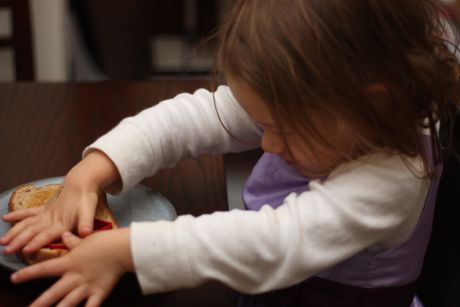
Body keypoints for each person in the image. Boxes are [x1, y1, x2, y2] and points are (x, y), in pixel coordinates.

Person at [2, 0, 460, 306]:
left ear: (374, 101)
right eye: (262, 123)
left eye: (282, 129)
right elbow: (196, 118)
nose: (266, 144)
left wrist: (128, 250)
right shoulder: (337, 104)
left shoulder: (393, 179)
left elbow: (277, 242)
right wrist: (92, 170)